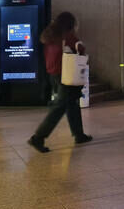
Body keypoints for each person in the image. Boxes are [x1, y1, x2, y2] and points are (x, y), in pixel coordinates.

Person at [28, 12, 92, 153]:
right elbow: (80, 48)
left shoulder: (49, 34)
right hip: (66, 74)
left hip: (53, 73)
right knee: (60, 107)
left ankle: (79, 134)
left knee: (72, 104)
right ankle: (38, 137)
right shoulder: (66, 36)